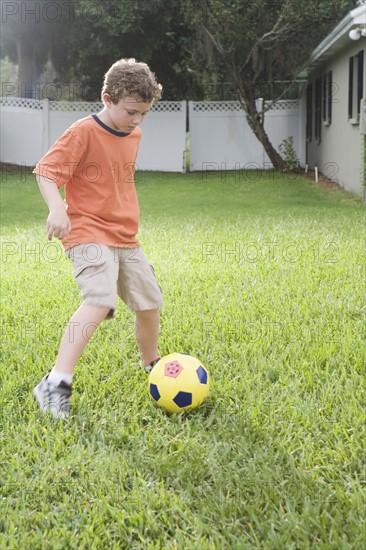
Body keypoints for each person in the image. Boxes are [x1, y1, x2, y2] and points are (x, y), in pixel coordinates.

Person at [32, 58, 164, 419]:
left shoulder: (133, 134)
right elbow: (46, 171)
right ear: (107, 98)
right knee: (100, 297)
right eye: (131, 111)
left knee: (149, 301)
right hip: (86, 229)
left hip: (124, 234)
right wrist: (58, 209)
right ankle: (56, 382)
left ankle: (152, 365)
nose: (137, 120)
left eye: (144, 113)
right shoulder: (82, 132)